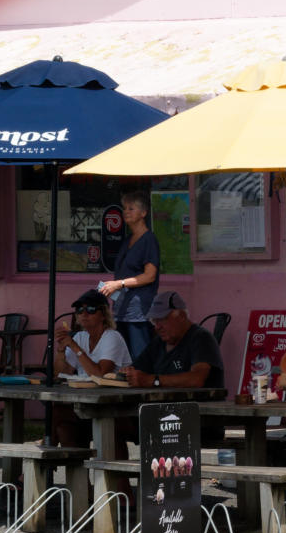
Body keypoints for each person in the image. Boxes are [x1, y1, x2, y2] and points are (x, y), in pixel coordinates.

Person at [49, 289, 133, 446]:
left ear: (103, 314)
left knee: (60, 415)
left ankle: (48, 448)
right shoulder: (80, 337)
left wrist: (75, 348)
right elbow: (60, 374)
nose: (84, 314)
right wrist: (60, 351)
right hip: (86, 403)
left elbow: (100, 375)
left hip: (114, 406)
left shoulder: (112, 337)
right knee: (61, 420)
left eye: (91, 309)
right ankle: (65, 456)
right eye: (79, 310)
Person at [100, 189, 159, 366]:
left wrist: (119, 284)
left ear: (143, 213)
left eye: (131, 208)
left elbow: (149, 276)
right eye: (124, 208)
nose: (126, 212)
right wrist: (112, 288)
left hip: (138, 311)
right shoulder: (127, 240)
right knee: (122, 360)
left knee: (140, 360)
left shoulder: (149, 240)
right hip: (121, 309)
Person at [127, 291, 222, 390]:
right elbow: (136, 370)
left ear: (181, 317)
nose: (157, 327)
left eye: (162, 319)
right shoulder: (158, 343)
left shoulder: (201, 338)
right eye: (154, 321)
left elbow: (196, 379)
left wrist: (153, 381)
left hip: (199, 400)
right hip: (164, 400)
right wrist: (128, 374)